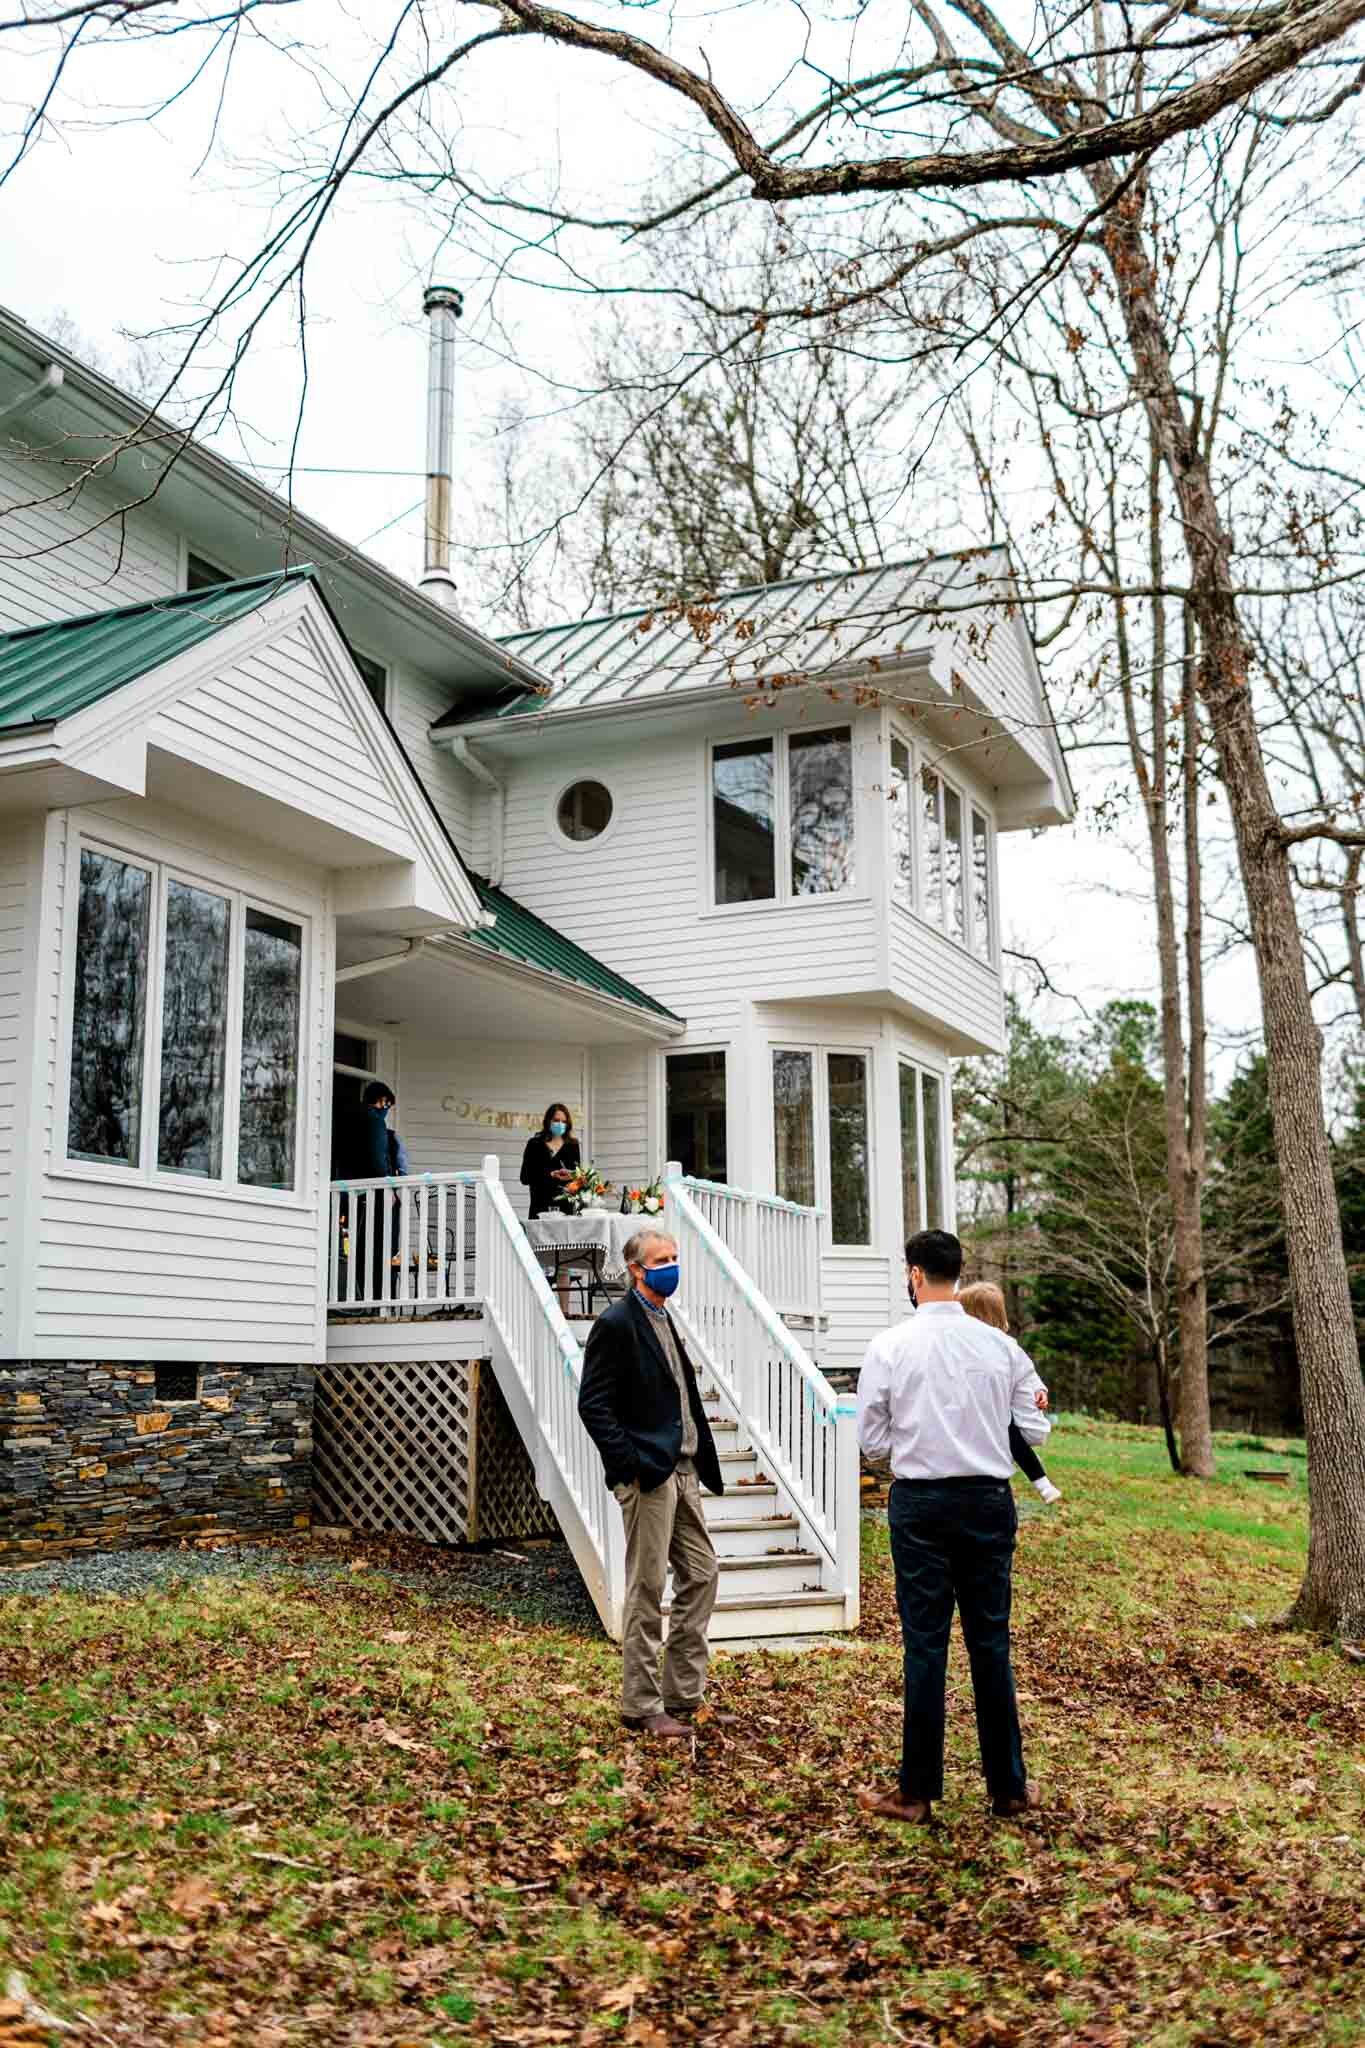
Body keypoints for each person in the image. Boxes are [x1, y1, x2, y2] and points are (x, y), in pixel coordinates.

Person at [856, 1228, 1050, 1826]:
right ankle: (1008, 1788)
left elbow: (871, 1440)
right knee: (990, 1642)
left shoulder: (889, 1347)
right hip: (989, 1501)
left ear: (915, 1274)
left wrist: (915, 1447)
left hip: (920, 1504)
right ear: (958, 1274)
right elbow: (1035, 1432)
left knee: (925, 1644)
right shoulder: (1002, 1350)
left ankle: (915, 1791)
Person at [577, 1228, 723, 1739]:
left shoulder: (665, 1317)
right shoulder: (617, 1324)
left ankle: (683, 1695)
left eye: (675, 1258)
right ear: (635, 1269)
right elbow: (592, 1403)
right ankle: (640, 1704)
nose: (671, 1266)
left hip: (684, 1471)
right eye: (661, 1259)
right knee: (648, 1585)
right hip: (650, 1477)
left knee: (702, 1573)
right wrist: (630, 1464)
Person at [959, 1283, 1063, 1506]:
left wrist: (1040, 1390)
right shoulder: (988, 1345)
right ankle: (1043, 1483)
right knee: (1006, 1432)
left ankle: (1043, 1483)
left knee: (1007, 1430)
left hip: (1012, 1419)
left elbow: (1028, 1374)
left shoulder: (1005, 1346)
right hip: (1001, 1421)